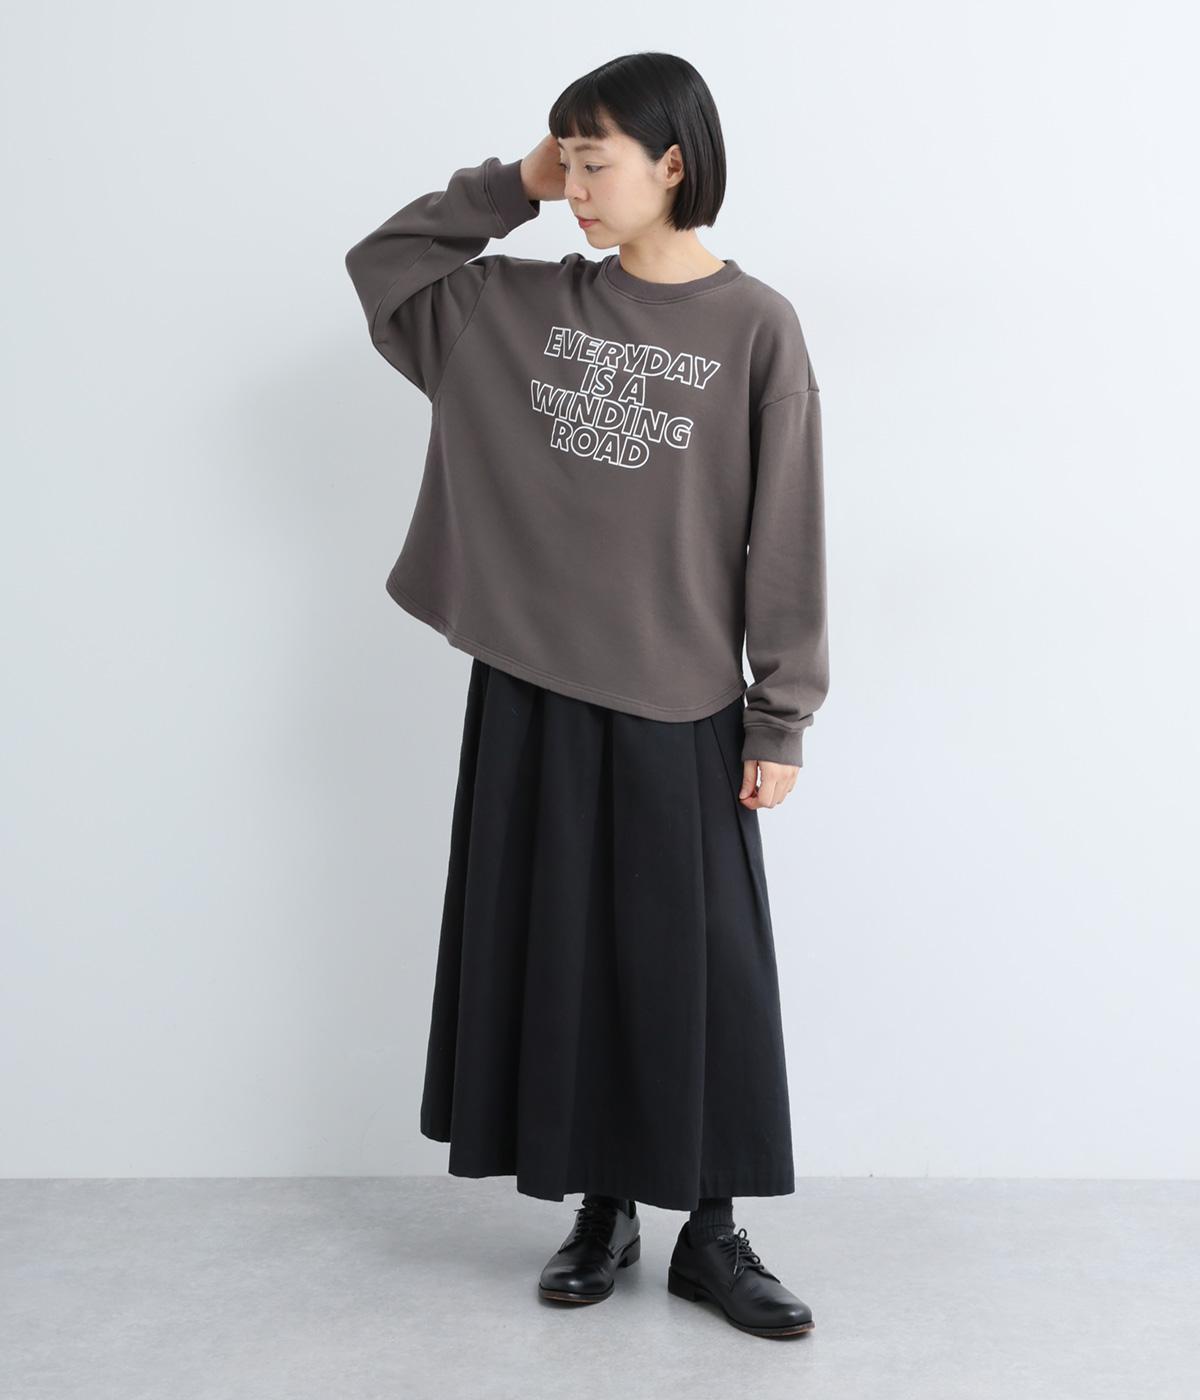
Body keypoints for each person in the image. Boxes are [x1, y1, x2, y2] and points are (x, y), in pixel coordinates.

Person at [344, 51, 828, 1339]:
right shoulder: (517, 308)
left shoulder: (756, 325)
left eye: (596, 160)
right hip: (534, 687)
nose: (577, 187)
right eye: (566, 160)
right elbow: (384, 265)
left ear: (674, 164)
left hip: (683, 699)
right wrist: (517, 180)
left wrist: (781, 714)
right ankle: (601, 1212)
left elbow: (786, 532)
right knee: (566, 962)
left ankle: (711, 1235)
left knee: (701, 974)